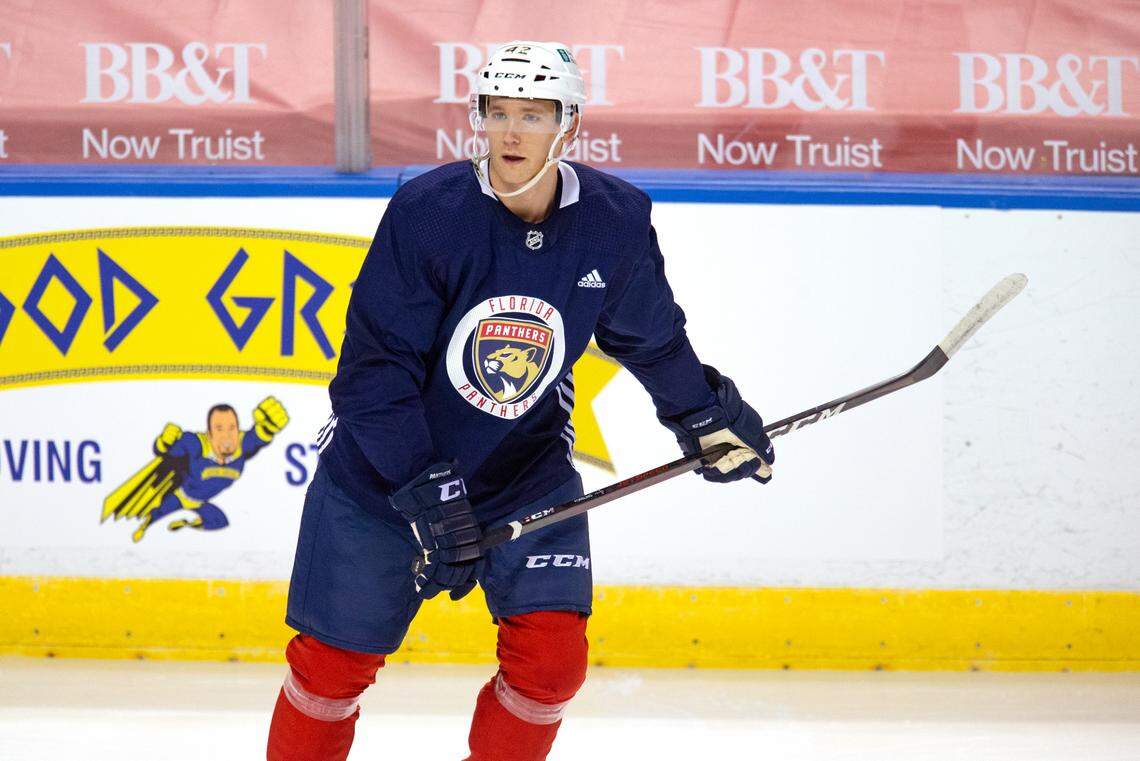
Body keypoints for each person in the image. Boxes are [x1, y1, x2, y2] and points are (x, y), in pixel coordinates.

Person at [266, 40, 774, 761]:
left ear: (568, 124)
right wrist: (423, 488)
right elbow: (372, 375)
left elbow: (651, 338)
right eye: (497, 112)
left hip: (522, 472)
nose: (511, 132)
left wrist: (703, 414)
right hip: (386, 479)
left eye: (533, 115)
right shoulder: (428, 214)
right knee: (329, 669)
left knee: (551, 666)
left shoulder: (613, 220)